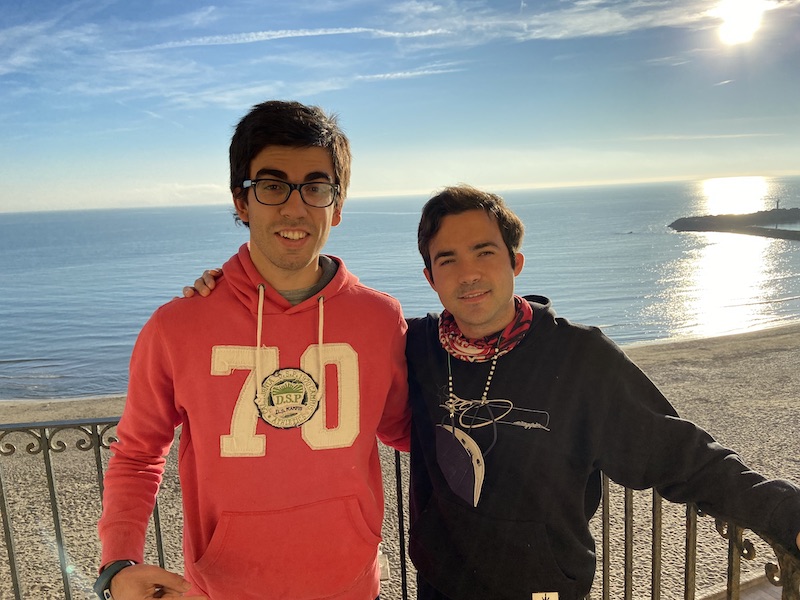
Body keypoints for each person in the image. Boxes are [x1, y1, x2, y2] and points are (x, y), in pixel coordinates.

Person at [186, 184, 800, 600]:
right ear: (430, 277)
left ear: (515, 262)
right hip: (442, 587)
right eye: (447, 259)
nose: (469, 272)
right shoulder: (415, 347)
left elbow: (679, 455)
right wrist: (231, 292)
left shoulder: (579, 357)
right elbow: (310, 344)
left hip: (544, 589)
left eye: (485, 251)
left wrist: (783, 512)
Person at [96, 100, 410, 600]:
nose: (294, 207)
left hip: (351, 587)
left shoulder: (380, 318)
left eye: (316, 187)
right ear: (242, 203)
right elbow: (137, 453)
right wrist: (118, 563)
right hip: (221, 590)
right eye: (272, 186)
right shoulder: (179, 325)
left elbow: (410, 429)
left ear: (337, 206)